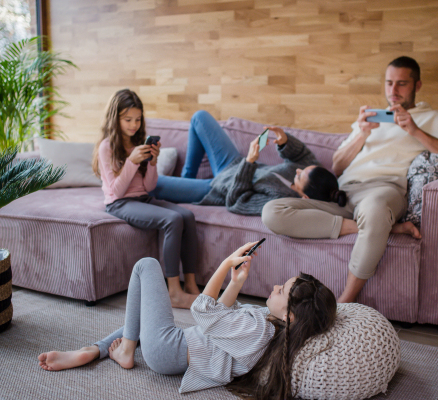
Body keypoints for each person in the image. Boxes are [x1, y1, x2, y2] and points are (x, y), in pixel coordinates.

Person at [262, 56, 438, 303]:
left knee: (374, 209)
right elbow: (337, 166)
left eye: (401, 84)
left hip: (384, 191)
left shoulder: (432, 119)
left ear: (417, 86)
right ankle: (384, 228)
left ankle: (345, 302)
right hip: (343, 194)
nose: (393, 91)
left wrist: (415, 131)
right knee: (272, 211)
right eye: (388, 83)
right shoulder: (373, 118)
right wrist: (360, 134)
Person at [37, 243, 338, 400]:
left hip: (171, 350)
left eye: (281, 290)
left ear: (290, 315)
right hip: (180, 347)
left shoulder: (260, 330)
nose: (274, 287)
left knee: (146, 265)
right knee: (142, 314)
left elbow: (202, 310)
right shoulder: (268, 329)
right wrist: (235, 283)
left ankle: (126, 351)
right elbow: (219, 319)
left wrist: (222, 266)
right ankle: (95, 350)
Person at [92, 89, 199, 309]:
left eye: (138, 119)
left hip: (143, 199)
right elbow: (116, 191)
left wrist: (151, 163)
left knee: (187, 216)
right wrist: (131, 161)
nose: (134, 125)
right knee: (172, 219)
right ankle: (173, 292)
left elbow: (149, 187)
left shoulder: (139, 142)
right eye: (128, 119)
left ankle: (191, 285)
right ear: (116, 118)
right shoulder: (107, 147)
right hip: (119, 203)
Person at [149, 110, 348, 215]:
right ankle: (186, 179)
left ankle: (185, 189)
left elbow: (236, 202)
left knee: (151, 183)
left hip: (218, 188)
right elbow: (303, 156)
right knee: (199, 117)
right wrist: (285, 140)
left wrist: (250, 161)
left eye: (300, 175)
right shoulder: (310, 172)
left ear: (304, 197)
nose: (298, 170)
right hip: (232, 164)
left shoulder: (279, 201)